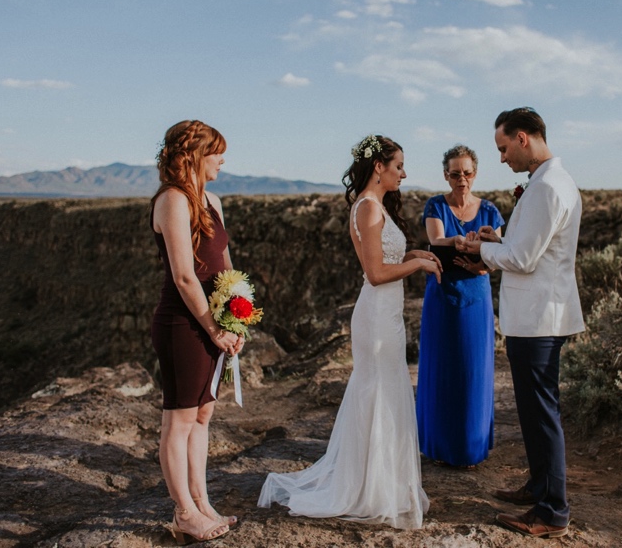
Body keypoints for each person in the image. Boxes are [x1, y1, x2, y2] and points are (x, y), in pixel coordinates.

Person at [258, 134, 440, 529]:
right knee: (380, 393)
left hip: (385, 314)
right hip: (376, 316)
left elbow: (385, 259)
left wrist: (411, 254)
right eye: (398, 166)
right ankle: (372, 490)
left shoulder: (374, 206)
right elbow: (375, 274)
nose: (404, 174)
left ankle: (388, 484)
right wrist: (419, 267)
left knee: (386, 392)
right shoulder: (369, 209)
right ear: (379, 167)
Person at [456, 107, 584, 539]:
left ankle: (553, 512)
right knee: (531, 410)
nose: (503, 156)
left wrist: (482, 252)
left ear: (524, 138)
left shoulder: (548, 187)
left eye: (504, 147)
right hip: (538, 313)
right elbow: (529, 246)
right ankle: (539, 485)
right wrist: (500, 239)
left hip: (539, 317)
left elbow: (524, 259)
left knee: (542, 412)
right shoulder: (550, 182)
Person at [150, 120, 245, 544]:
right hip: (182, 324)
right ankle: (184, 513)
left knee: (203, 414)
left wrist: (235, 321)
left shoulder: (213, 200)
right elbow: (186, 278)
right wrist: (213, 330)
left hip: (213, 324)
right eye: (216, 153)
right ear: (193, 156)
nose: (223, 160)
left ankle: (203, 503)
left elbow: (224, 267)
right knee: (180, 417)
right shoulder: (172, 201)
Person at [417, 144, 504, 469]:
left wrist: (485, 264)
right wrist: (455, 243)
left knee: (473, 370)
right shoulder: (435, 206)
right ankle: (438, 445)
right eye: (455, 174)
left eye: (467, 173)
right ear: (446, 175)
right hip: (441, 298)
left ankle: (470, 447)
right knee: (441, 370)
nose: (462, 179)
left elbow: (498, 256)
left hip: (476, 298)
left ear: (475, 173)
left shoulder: (491, 211)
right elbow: (435, 240)